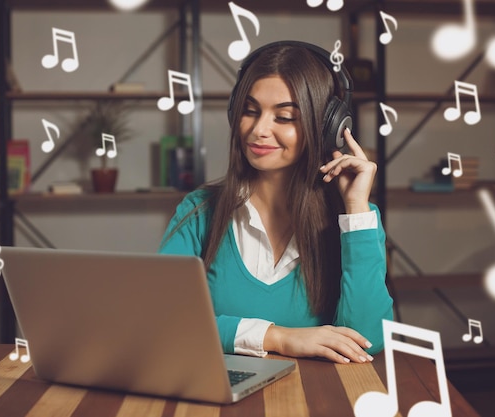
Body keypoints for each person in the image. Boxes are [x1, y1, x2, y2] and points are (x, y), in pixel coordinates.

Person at [158, 40, 393, 364]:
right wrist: (280, 337)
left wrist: (355, 209)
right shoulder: (198, 212)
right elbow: (163, 321)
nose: (258, 130)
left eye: (284, 117)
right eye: (250, 111)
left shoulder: (356, 220)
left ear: (328, 129)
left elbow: (366, 341)